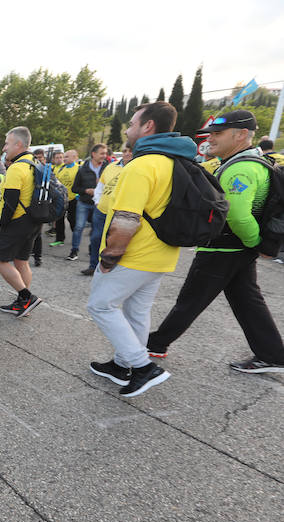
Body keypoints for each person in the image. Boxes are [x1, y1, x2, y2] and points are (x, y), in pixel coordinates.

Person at [146, 110, 284, 373]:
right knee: (247, 301)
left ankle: (156, 343)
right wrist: (253, 245)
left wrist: (256, 243)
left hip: (224, 247)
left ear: (242, 134)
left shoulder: (241, 168)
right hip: (236, 248)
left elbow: (239, 215)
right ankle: (273, 355)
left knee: (191, 299)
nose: (211, 139)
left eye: (218, 134)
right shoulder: (248, 162)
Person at [86, 101, 196, 397]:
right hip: (162, 254)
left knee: (100, 305)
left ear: (149, 127)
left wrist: (108, 259)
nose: (127, 129)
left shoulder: (142, 165)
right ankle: (123, 366)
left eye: (132, 123)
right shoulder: (175, 161)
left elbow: (126, 220)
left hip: (135, 254)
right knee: (137, 311)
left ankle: (143, 367)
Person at [0, 126, 43, 317]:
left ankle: (26, 296)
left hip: (17, 221)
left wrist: (2, 225)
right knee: (21, 261)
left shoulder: (17, 168)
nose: (4, 148)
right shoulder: (34, 162)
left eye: (7, 143)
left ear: (18, 144)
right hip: (34, 221)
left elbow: (10, 204)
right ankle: (24, 305)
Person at [83, 143, 132, 275]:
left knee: (114, 242)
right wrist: (97, 202)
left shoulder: (135, 169)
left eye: (130, 151)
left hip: (119, 214)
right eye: (125, 150)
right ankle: (93, 266)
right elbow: (100, 186)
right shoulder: (110, 167)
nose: (127, 153)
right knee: (95, 238)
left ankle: (110, 268)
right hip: (101, 211)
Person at [69, 144, 108, 261]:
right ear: (93, 154)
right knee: (79, 227)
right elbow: (74, 188)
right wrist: (86, 190)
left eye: (105, 153)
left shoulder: (108, 168)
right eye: (102, 153)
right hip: (84, 203)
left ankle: (93, 250)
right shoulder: (82, 169)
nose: (104, 156)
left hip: (100, 204)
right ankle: (74, 250)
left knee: (97, 229)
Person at [52, 149, 80, 247]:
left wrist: (78, 195)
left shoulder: (78, 169)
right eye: (65, 156)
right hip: (61, 199)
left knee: (72, 219)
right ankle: (60, 239)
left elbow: (82, 182)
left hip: (73, 199)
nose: (64, 158)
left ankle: (76, 239)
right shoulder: (61, 169)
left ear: (74, 158)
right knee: (59, 219)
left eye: (67, 156)